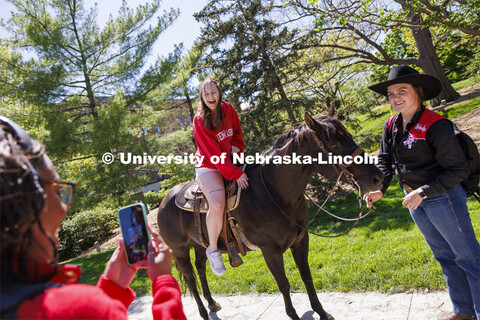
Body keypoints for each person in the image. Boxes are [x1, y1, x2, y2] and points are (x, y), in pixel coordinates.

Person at [0, 117, 186, 320]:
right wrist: (164, 282)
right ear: (27, 200)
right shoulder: (76, 310)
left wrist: (111, 291)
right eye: (59, 190)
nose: (65, 207)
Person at [363, 65, 480, 320]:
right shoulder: (391, 125)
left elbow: (458, 170)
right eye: (391, 94)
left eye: (401, 91)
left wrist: (423, 192)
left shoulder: (436, 125)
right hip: (416, 202)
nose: (395, 98)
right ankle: (464, 311)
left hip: (443, 198)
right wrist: (380, 189)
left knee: (469, 258)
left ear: (419, 91)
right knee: (445, 256)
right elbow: (385, 162)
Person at [193, 78, 249, 276]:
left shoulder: (228, 109)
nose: (210, 96)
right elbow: (213, 154)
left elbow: (237, 133)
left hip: (228, 157)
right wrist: (235, 172)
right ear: (202, 97)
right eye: (206, 94)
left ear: (219, 92)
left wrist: (238, 146)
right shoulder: (200, 120)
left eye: (213, 92)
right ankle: (214, 250)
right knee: (217, 204)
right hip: (209, 164)